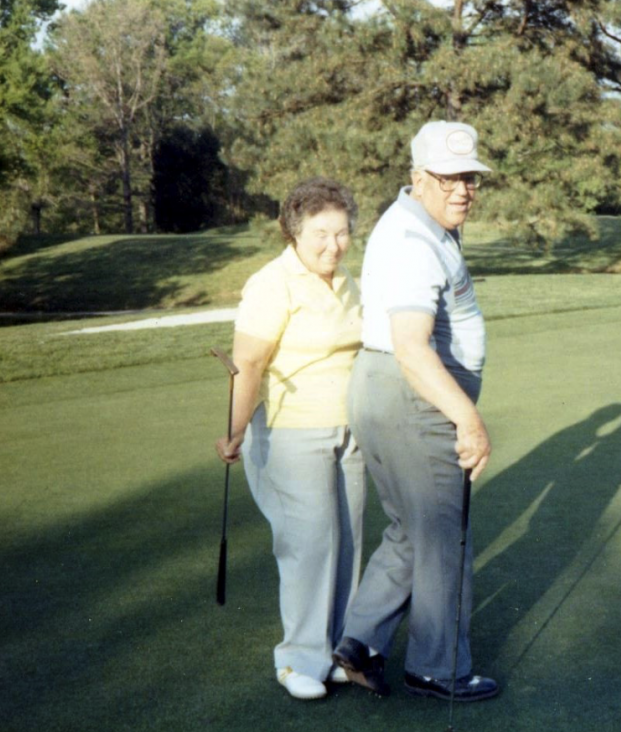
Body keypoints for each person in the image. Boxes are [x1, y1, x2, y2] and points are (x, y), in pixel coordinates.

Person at [331, 120, 499, 702]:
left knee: (411, 530)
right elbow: (412, 346)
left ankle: (358, 642)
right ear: (418, 178)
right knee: (444, 538)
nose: (463, 189)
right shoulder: (412, 240)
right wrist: (469, 419)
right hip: (413, 397)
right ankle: (437, 668)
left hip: (390, 391)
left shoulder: (423, 225)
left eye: (471, 178)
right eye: (449, 177)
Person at [215, 177, 365, 701]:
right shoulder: (271, 283)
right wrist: (234, 432)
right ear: (295, 232)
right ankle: (298, 660)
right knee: (309, 546)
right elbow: (249, 363)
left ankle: (338, 652)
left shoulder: (347, 280)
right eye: (322, 233)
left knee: (347, 541)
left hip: (352, 430)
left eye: (343, 233)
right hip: (290, 430)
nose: (334, 244)